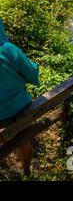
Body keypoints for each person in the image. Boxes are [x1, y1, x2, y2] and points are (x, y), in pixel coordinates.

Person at [0, 19, 39, 175]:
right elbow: (33, 77)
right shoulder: (9, 49)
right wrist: (33, 66)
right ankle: (27, 171)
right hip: (20, 109)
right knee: (23, 137)